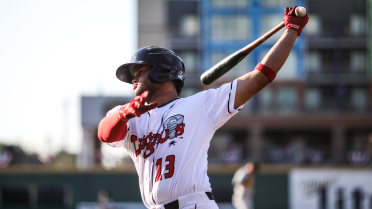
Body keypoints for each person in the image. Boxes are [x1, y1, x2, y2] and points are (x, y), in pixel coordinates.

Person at [97, 6, 308, 209]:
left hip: (193, 204)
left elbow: (258, 79)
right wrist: (123, 115)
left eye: (139, 71)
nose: (133, 79)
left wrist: (291, 31)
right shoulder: (130, 117)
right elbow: (104, 133)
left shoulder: (199, 105)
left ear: (160, 71)